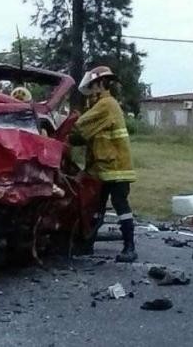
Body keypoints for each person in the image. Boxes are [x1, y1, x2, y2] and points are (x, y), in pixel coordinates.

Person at [70, 65, 138, 263]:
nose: (90, 90)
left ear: (100, 84)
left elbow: (80, 127)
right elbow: (87, 135)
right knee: (96, 206)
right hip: (103, 167)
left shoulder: (106, 104)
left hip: (116, 167)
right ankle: (86, 245)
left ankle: (130, 247)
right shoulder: (104, 104)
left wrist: (63, 132)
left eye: (92, 86)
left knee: (120, 204)